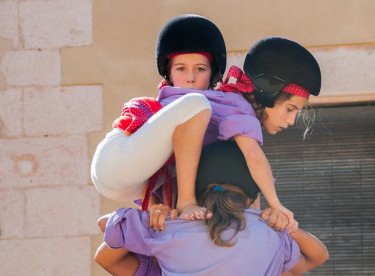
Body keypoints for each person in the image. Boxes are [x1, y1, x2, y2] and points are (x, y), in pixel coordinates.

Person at [91, 15, 295, 223]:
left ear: (212, 73)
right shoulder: (202, 105)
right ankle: (186, 201)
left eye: (200, 69)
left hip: (127, 182)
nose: (190, 77)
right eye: (181, 68)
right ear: (168, 74)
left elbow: (241, 168)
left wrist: (155, 207)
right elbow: (252, 155)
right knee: (196, 103)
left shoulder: (204, 112)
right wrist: (276, 205)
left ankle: (183, 204)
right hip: (114, 158)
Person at [97, 141, 329, 276]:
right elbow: (316, 258)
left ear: (194, 193)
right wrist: (285, 224)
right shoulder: (271, 236)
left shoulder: (171, 230)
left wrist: (153, 218)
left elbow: (105, 234)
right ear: (251, 197)